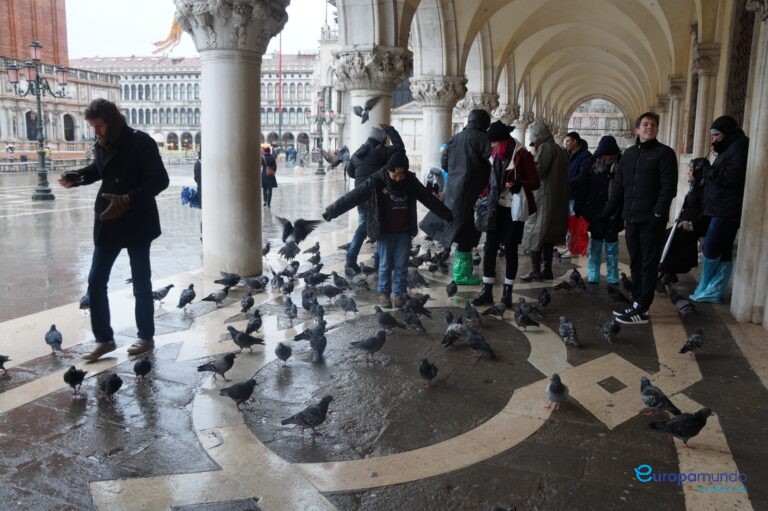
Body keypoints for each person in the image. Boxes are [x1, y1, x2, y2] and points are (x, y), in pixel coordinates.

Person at [58, 98, 169, 360]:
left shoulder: (141, 142)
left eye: (98, 126)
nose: (95, 131)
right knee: (96, 280)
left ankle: (145, 337)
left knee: (141, 282)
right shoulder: (102, 142)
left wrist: (129, 198)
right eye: (93, 127)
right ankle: (104, 340)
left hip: (137, 219)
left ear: (113, 122)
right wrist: (78, 177)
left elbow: (160, 180)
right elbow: (100, 170)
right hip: (108, 218)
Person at [324, 150, 452, 308]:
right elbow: (354, 196)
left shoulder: (411, 181)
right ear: (388, 171)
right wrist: (332, 210)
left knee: (401, 264)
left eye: (401, 175)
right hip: (384, 231)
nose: (398, 178)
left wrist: (447, 214)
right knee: (384, 264)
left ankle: (399, 293)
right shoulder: (376, 180)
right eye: (394, 175)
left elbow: (428, 198)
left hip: (404, 231)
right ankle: (384, 293)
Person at [601, 112, 677, 325]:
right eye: (645, 124)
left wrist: (658, 213)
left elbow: (668, 188)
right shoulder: (630, 154)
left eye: (653, 124)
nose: (649, 127)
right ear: (637, 130)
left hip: (652, 220)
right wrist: (608, 211)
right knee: (635, 262)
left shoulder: (665, 154)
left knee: (648, 263)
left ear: (657, 129)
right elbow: (618, 186)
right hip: (631, 218)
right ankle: (636, 302)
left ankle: (642, 307)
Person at [471, 121, 540, 307]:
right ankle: (487, 291)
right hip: (495, 207)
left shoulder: (521, 154)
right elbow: (489, 178)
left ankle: (507, 294)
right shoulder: (496, 154)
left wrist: (518, 185)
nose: (492, 147)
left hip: (514, 210)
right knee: (490, 248)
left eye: (494, 143)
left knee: (510, 249)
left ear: (504, 141)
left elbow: (535, 182)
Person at [420, 109, 492, 285]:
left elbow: (444, 162)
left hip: (454, 188)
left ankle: (461, 272)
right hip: (471, 190)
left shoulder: (456, 137)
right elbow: (490, 161)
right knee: (467, 230)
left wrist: (455, 174)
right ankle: (461, 274)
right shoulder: (482, 138)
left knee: (459, 226)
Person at [689, 115, 749, 303]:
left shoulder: (739, 147)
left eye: (716, 135)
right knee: (721, 249)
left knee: (711, 245)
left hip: (728, 209)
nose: (713, 139)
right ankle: (713, 290)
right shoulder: (727, 148)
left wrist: (707, 170)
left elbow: (732, 177)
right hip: (719, 207)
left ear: (726, 133)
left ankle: (708, 285)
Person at [344, 124, 405, 273]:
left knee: (363, 226)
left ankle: (351, 260)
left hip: (359, 194)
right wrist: (390, 129)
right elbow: (400, 149)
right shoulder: (381, 152)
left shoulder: (358, 153)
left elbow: (350, 172)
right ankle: (378, 261)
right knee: (380, 226)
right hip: (376, 194)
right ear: (382, 139)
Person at [519, 121, 569, 282]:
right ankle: (547, 270)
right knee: (547, 236)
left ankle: (535, 270)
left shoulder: (546, 148)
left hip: (543, 198)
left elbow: (538, 171)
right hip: (556, 197)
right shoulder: (559, 149)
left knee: (535, 232)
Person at [574, 135, 623, 284]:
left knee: (612, 245)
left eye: (612, 155)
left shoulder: (620, 167)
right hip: (595, 211)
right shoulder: (591, 166)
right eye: (606, 154)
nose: (609, 158)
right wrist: (579, 208)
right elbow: (582, 187)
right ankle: (593, 273)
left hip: (614, 212)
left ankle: (613, 275)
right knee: (595, 244)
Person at [658, 159, 709, 285]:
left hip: (696, 226)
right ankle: (668, 271)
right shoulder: (696, 186)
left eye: (691, 170)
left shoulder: (705, 190)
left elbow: (706, 212)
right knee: (665, 236)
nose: (688, 173)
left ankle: (668, 271)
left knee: (672, 238)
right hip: (685, 223)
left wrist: (691, 224)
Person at [563, 131, 592, 257]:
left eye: (568, 141)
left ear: (575, 141)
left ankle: (576, 249)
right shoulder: (568, 153)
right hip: (568, 193)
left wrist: (567, 182)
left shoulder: (585, 156)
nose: (566, 144)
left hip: (577, 194)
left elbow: (583, 176)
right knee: (569, 222)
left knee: (576, 222)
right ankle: (571, 246)